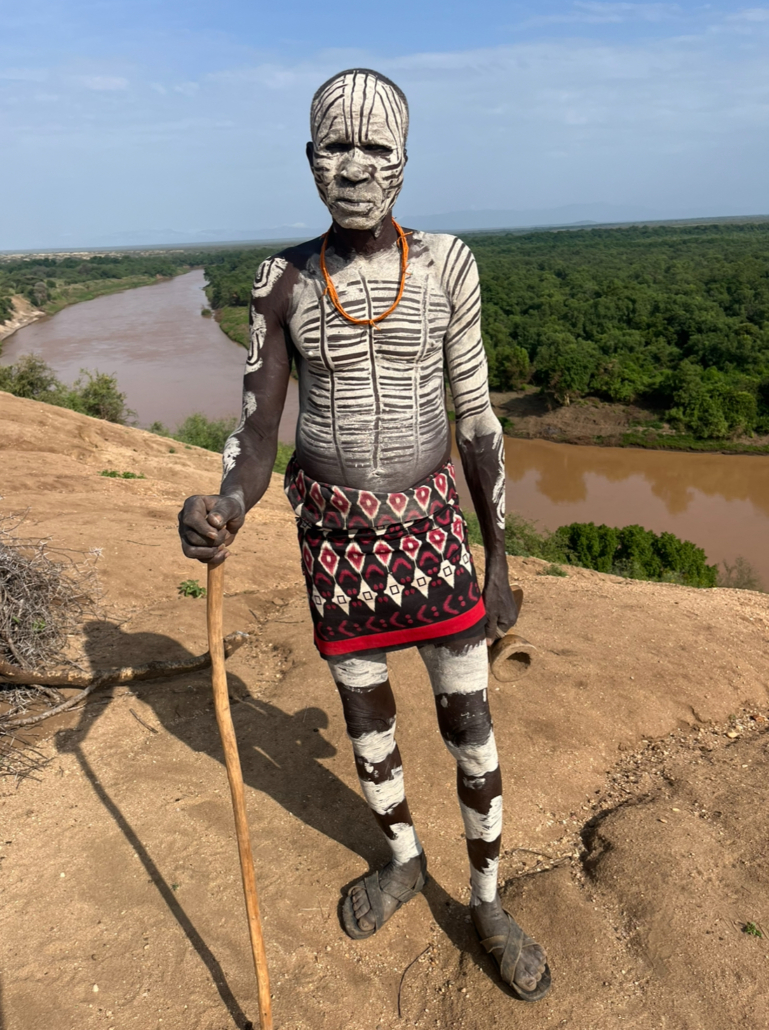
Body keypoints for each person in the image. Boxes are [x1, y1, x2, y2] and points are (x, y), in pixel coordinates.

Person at [179, 68, 550, 1001]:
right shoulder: (279, 281)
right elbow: (258, 430)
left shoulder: (447, 265)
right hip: (336, 541)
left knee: (468, 720)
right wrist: (226, 503)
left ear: (404, 160)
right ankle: (400, 858)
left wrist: (496, 559)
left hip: (432, 534)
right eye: (331, 147)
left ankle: (487, 898)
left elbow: (476, 420)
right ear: (308, 161)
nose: (351, 167)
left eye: (373, 147)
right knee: (365, 721)